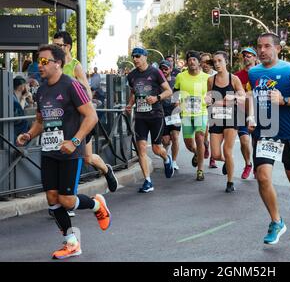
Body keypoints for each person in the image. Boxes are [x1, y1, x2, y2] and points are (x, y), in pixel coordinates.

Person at [16, 44, 111, 259]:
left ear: (57, 63)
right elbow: (40, 121)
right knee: (52, 199)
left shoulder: (71, 85)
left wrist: (75, 140)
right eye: (37, 61)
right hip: (49, 150)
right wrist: (29, 135)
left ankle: (98, 205)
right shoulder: (41, 90)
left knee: (67, 200)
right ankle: (71, 242)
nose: (38, 66)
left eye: (43, 61)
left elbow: (91, 116)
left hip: (70, 152)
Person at [248, 33, 290, 244]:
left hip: (288, 133)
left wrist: (284, 100)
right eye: (259, 46)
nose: (262, 50)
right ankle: (276, 222)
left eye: (267, 46)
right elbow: (252, 95)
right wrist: (250, 115)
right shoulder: (254, 72)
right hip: (265, 133)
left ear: (277, 48)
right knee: (262, 176)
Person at [53, 31, 117, 195]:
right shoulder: (53, 66)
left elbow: (88, 93)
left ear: (67, 47)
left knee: (85, 158)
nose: (53, 48)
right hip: (60, 120)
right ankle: (67, 197)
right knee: (68, 157)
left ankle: (105, 170)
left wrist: (73, 92)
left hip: (80, 120)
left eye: (57, 45)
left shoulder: (75, 66)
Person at [125, 47, 174, 193]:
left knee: (156, 148)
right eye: (133, 56)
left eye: (138, 56)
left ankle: (166, 159)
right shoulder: (132, 75)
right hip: (140, 116)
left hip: (156, 115)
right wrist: (129, 105)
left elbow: (168, 91)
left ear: (145, 57)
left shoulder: (155, 72)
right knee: (141, 149)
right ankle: (147, 181)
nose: (135, 59)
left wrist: (156, 98)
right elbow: (134, 92)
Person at [206, 51, 245, 193]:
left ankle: (230, 182)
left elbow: (243, 97)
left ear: (226, 62)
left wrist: (233, 97)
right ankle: (227, 163)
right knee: (215, 154)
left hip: (231, 117)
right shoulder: (211, 80)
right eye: (215, 62)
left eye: (219, 61)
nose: (217, 64)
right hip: (216, 117)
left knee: (227, 150)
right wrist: (207, 100)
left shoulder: (233, 79)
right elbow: (209, 97)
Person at [174, 51, 210, 181]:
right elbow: (176, 91)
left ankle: (200, 170)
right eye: (189, 59)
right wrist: (176, 101)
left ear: (199, 62)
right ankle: (196, 152)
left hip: (201, 112)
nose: (191, 61)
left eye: (194, 59)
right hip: (186, 114)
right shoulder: (180, 76)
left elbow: (212, 93)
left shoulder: (206, 77)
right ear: (187, 62)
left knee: (199, 137)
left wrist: (209, 99)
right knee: (189, 144)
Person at [234, 47, 257, 179]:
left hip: (259, 113)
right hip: (241, 113)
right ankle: (248, 164)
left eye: (249, 55)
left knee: (256, 142)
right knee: (244, 141)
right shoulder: (237, 76)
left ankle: (257, 165)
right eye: (244, 56)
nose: (246, 58)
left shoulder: (261, 73)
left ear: (255, 57)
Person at [159, 60, 181, 171]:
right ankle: (166, 158)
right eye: (162, 68)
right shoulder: (157, 82)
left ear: (171, 69)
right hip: (162, 113)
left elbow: (181, 93)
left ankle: (174, 161)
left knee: (175, 137)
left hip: (174, 112)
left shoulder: (175, 81)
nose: (164, 71)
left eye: (166, 68)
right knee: (166, 141)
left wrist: (178, 101)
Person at [200, 52, 218, 169]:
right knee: (205, 133)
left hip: (215, 107)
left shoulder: (217, 75)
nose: (205, 64)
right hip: (201, 107)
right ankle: (206, 145)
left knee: (214, 133)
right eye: (203, 62)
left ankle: (213, 158)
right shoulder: (198, 75)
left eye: (208, 62)